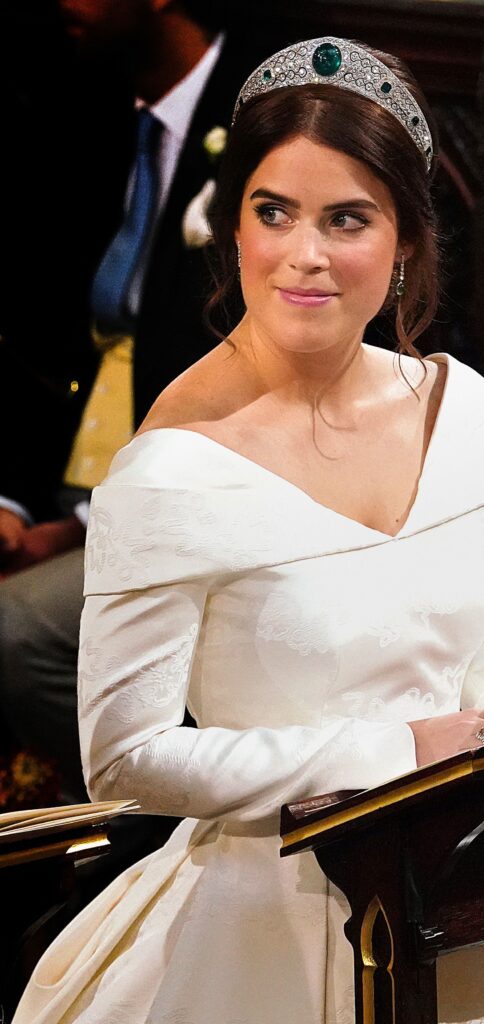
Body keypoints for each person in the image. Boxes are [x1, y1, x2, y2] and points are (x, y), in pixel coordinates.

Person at [14, 35, 484, 1024]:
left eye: (347, 218)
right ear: (232, 226)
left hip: (478, 899)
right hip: (271, 923)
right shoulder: (173, 469)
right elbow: (126, 758)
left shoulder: (462, 411)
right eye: (274, 213)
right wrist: (397, 748)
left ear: (407, 239)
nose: (305, 255)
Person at [0, 0, 275, 814]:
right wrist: (18, 503)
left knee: (16, 633)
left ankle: (160, 826)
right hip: (79, 478)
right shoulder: (89, 109)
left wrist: (85, 527)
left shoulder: (257, 116)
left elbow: (242, 382)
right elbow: (49, 332)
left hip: (198, 491)